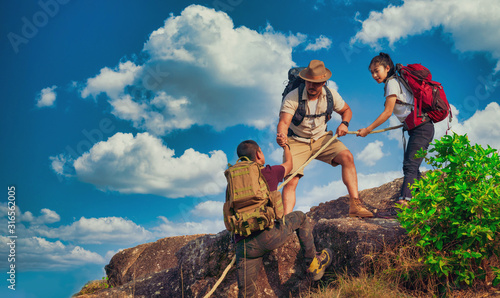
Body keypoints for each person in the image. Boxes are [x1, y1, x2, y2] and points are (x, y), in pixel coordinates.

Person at [234, 139, 332, 298]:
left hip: (244, 246)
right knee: (300, 217)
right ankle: (314, 263)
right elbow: (289, 164)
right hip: (269, 235)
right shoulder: (269, 172)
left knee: (246, 294)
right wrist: (286, 147)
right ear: (259, 154)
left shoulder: (233, 184)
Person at [277, 59, 373, 218]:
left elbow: (346, 110)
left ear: (323, 82)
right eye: (309, 82)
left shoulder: (330, 95)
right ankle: (286, 222)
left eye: (316, 83)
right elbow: (284, 122)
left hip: (322, 139)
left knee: (347, 157)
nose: (311, 86)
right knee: (291, 180)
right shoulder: (292, 97)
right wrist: (281, 136)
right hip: (296, 141)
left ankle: (355, 205)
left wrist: (344, 124)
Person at [357, 52, 435, 206]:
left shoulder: (392, 83)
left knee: (410, 165)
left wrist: (368, 129)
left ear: (387, 68)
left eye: (376, 70)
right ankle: (419, 202)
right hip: (421, 128)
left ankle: (405, 201)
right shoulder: (395, 82)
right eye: (371, 72)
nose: (374, 75)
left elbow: (387, 113)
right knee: (412, 165)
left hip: (422, 128)